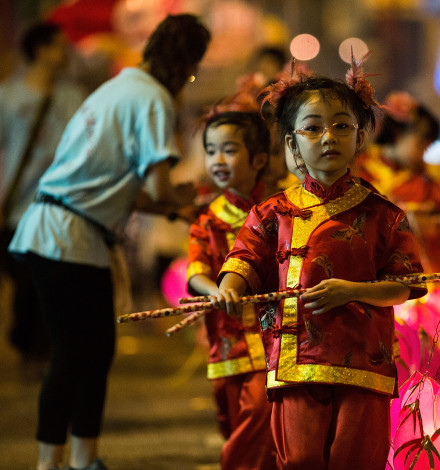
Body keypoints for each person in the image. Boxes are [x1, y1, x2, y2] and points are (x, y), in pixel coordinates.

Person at [9, 14, 210, 470]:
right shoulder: (153, 98)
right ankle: (55, 462)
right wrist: (184, 201)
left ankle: (80, 457)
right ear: (185, 62)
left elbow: (114, 185)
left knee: (92, 352)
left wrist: (172, 204)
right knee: (75, 353)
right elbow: (158, 190)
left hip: (63, 230)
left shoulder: (119, 88)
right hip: (67, 237)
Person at [213, 63, 427, 470]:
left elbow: (404, 285)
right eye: (313, 128)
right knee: (300, 460)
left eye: (342, 126)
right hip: (295, 364)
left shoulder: (385, 215)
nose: (328, 136)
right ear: (293, 143)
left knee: (356, 460)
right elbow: (242, 259)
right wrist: (229, 286)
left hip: (365, 363)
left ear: (359, 137)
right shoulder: (271, 212)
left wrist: (353, 291)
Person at [187, 103, 276, 470]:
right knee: (232, 419)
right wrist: (216, 290)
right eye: (210, 151)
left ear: (257, 160)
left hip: (273, 336)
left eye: (228, 149)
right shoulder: (207, 220)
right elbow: (195, 273)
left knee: (260, 409)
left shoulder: (279, 211)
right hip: (228, 338)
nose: (217, 159)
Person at [0, 21, 85, 374]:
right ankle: (28, 345)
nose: (66, 52)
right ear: (40, 50)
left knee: (52, 284)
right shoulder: (7, 97)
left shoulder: (73, 97)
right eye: (59, 46)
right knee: (27, 283)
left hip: (62, 209)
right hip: (18, 208)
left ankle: (43, 352)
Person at [352, 91, 440, 271]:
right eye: (421, 143)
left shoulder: (427, 183)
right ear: (397, 134)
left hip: (410, 268)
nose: (425, 152)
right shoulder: (358, 170)